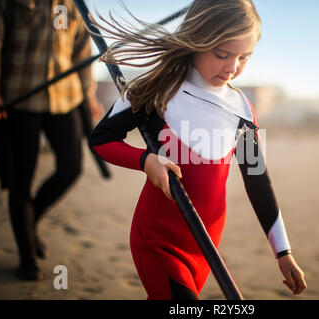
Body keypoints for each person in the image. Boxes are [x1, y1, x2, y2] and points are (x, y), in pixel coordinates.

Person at [89, 0, 307, 299]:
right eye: (222, 54)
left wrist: (283, 252)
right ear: (196, 41)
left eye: (244, 57)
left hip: (206, 244)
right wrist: (146, 160)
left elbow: (257, 181)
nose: (232, 67)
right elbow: (101, 139)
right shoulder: (156, 89)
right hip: (158, 238)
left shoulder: (241, 108)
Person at [0, 0, 103, 280]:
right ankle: (27, 256)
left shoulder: (74, 4)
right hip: (19, 98)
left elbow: (82, 52)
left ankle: (29, 223)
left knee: (71, 168)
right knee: (20, 181)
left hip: (65, 98)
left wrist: (88, 95)